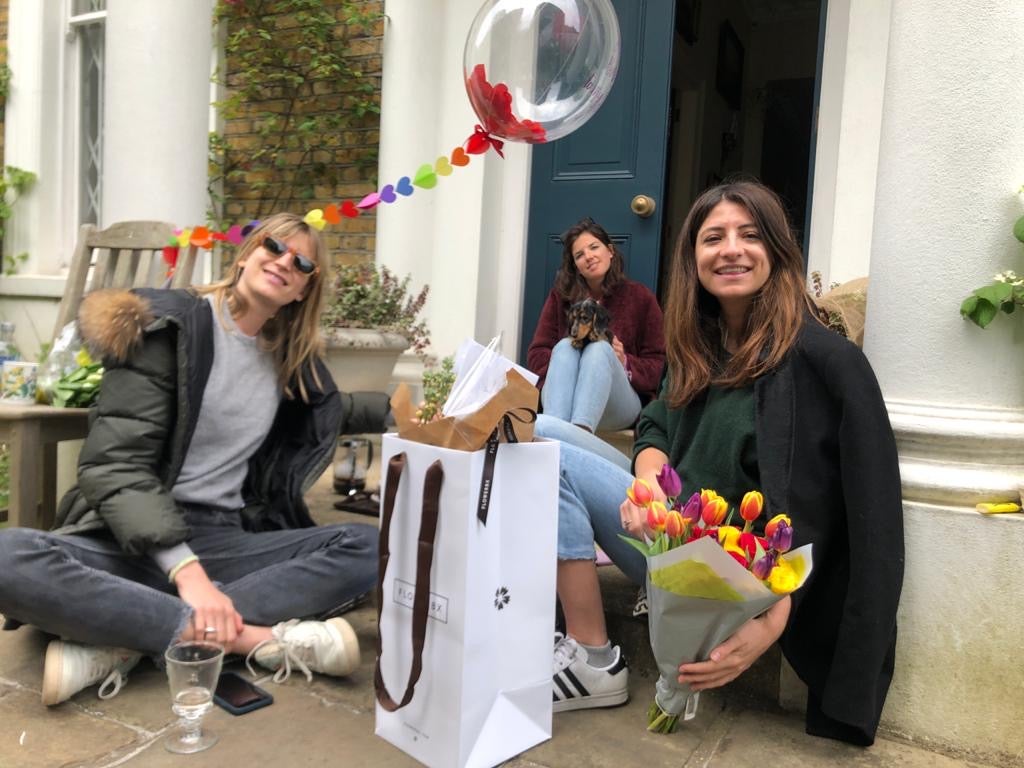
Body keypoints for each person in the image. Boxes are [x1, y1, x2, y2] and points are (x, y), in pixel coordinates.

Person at [550, 181, 904, 747]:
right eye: (713, 237)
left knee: (552, 454)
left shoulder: (822, 362)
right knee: (542, 436)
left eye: (750, 235)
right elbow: (656, 422)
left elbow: (831, 514)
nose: (731, 249)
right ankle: (578, 638)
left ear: (779, 251)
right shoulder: (700, 344)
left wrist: (770, 618)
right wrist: (647, 483)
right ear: (694, 258)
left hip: (732, 579)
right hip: (669, 540)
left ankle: (594, 656)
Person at [0, 212, 389, 706]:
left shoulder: (287, 359)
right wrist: (190, 576)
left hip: (224, 539)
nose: (285, 262)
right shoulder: (167, 329)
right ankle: (254, 640)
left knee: (369, 546)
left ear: (301, 293)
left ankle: (126, 639)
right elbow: (115, 466)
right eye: (274, 246)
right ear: (246, 254)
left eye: (303, 262)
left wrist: (406, 411)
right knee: (8, 558)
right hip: (129, 540)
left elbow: (331, 412)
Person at [527, 218, 665, 436]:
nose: (588, 257)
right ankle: (566, 436)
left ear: (610, 251)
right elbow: (537, 353)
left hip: (619, 403)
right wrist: (574, 361)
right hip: (562, 401)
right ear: (576, 267)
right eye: (579, 255)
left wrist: (624, 360)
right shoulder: (560, 297)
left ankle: (567, 437)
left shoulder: (640, 297)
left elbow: (659, 365)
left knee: (600, 348)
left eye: (594, 247)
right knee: (565, 347)